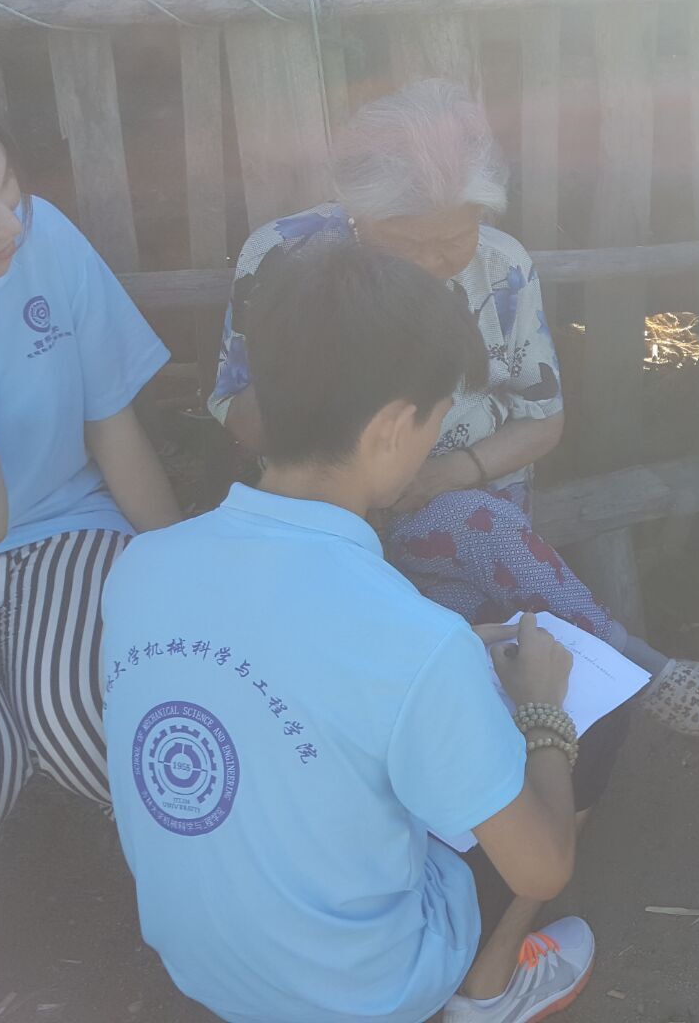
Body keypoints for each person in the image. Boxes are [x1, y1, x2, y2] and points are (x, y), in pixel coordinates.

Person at [105, 243, 595, 1023]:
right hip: (368, 991)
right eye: (437, 419)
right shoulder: (416, 639)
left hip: (204, 970)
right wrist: (543, 714)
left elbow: (289, 668)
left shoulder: (141, 569)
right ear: (394, 428)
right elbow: (542, 869)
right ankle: (488, 991)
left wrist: (447, 668)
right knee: (585, 724)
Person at [207, 79, 699, 740]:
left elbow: (542, 420)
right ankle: (631, 668)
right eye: (406, 242)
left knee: (465, 561)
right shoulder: (285, 258)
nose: (433, 263)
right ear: (358, 213)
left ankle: (591, 704)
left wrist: (445, 473)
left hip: (472, 495)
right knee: (452, 643)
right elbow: (236, 406)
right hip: (328, 512)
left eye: (454, 236)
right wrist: (344, 450)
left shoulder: (502, 269)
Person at [0, 109, 181, 859]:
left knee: (91, 719)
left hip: (62, 519)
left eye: (8, 188)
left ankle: (190, 864)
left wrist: (184, 571)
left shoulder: (45, 237)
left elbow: (111, 426)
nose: (8, 226)